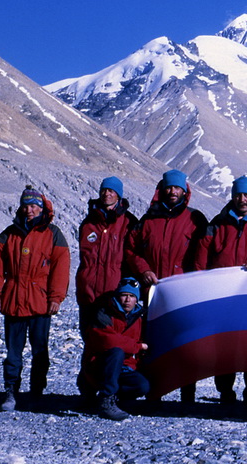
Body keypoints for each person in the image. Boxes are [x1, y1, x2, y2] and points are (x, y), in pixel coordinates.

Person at [194, 175, 247, 417]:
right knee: (225, 345)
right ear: (232, 197)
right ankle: (226, 394)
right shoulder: (217, 224)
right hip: (224, 298)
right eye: (238, 195)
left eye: (246, 195)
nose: (242, 199)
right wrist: (200, 287)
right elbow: (201, 258)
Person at [0, 185, 71, 412]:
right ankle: (11, 392)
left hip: (40, 302)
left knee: (40, 351)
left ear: (42, 208)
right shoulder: (8, 234)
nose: (29, 210)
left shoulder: (53, 234)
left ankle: (36, 393)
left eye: (34, 206)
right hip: (13, 300)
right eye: (26, 205)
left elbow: (61, 269)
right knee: (13, 352)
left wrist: (56, 297)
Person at [125, 169, 207, 404]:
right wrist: (144, 270)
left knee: (184, 340)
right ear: (162, 190)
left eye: (177, 188)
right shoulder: (148, 220)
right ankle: (155, 390)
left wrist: (195, 281)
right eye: (169, 187)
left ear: (185, 191)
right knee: (153, 340)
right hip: (153, 292)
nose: (172, 192)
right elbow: (131, 249)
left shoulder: (195, 219)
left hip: (183, 293)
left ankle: (187, 394)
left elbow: (204, 252)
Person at [76, 177, 138, 337]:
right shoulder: (89, 223)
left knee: (111, 341)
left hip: (114, 295)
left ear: (119, 195)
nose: (107, 194)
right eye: (104, 190)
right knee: (89, 340)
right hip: (88, 294)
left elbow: (132, 256)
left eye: (111, 191)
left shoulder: (128, 223)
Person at [80, 277, 150, 421]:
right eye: (124, 295)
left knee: (142, 386)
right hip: (99, 366)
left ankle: (114, 399)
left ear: (136, 299)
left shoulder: (138, 318)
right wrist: (136, 347)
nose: (127, 300)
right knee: (116, 351)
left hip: (123, 368)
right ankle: (106, 399)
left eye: (132, 296)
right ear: (118, 296)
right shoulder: (104, 313)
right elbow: (108, 340)